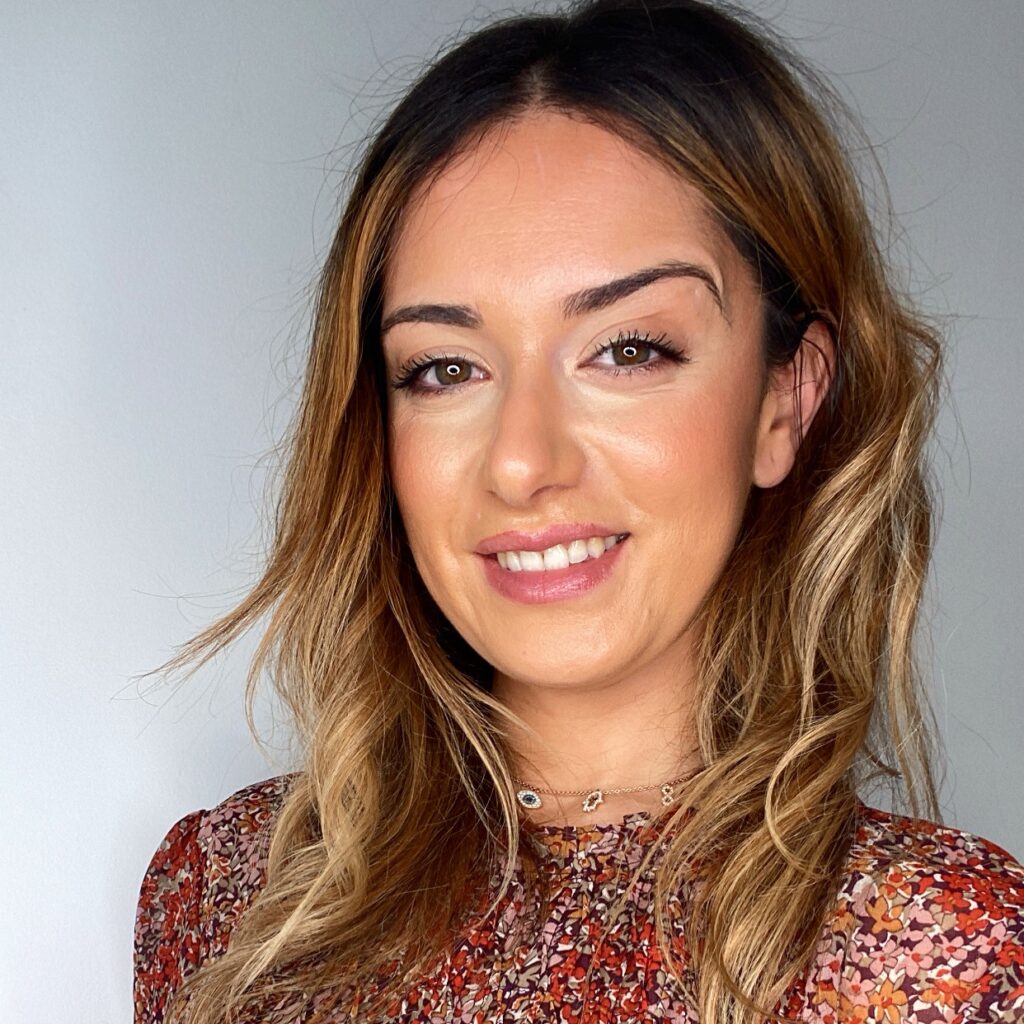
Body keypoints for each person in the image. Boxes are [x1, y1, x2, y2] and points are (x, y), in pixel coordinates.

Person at [132, 1, 1024, 1022]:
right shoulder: (229, 901)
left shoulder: (937, 956)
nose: (521, 462)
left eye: (627, 350)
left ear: (785, 399)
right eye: (445, 368)